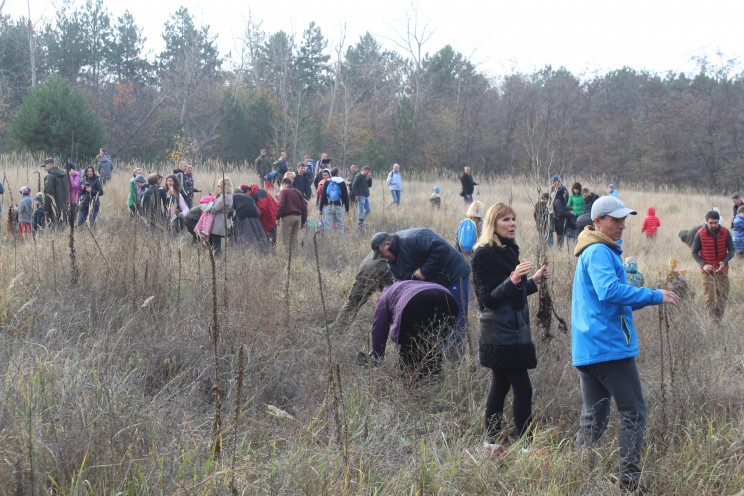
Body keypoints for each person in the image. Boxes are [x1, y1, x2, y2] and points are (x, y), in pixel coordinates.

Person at [572, 195, 679, 494]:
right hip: (608, 348)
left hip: (589, 349)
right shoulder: (599, 251)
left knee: (594, 417)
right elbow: (609, 291)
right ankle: (630, 484)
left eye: (623, 219)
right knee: (634, 412)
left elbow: (605, 296)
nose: (622, 225)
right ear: (598, 222)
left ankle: (579, 477)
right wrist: (653, 294)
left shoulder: (591, 251)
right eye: (615, 219)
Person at [471, 202, 549, 454]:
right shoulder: (483, 254)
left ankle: (492, 445)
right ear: (493, 223)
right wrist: (514, 278)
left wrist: (532, 281)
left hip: (515, 328)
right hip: (500, 332)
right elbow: (488, 298)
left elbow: (512, 293)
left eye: (514, 219)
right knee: (523, 389)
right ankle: (527, 446)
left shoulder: (509, 251)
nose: (512, 224)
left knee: (500, 386)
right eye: (506, 220)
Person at [371, 228, 471, 355]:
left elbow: (441, 248)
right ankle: (432, 357)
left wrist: (424, 271)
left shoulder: (413, 237)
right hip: (434, 285)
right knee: (435, 321)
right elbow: (402, 285)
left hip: (453, 276)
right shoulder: (392, 264)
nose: (382, 257)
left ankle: (455, 361)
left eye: (381, 253)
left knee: (456, 318)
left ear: (388, 244)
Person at [370, 280, 459, 381]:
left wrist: (377, 362)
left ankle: (412, 385)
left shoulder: (383, 297)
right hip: (448, 300)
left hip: (415, 300)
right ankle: (434, 382)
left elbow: (379, 330)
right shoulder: (404, 284)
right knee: (434, 347)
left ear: (379, 294)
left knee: (409, 350)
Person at [331, 250, 393, 331]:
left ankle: (337, 329)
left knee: (352, 303)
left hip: (366, 267)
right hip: (383, 268)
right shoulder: (403, 242)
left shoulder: (384, 239)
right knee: (395, 300)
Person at [690, 210, 734, 321]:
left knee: (723, 296)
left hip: (722, 270)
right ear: (706, 222)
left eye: (716, 222)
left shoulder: (725, 232)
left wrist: (725, 261)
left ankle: (717, 320)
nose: (714, 225)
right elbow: (694, 252)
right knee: (709, 297)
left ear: (719, 221)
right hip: (707, 271)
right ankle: (710, 320)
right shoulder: (700, 233)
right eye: (711, 223)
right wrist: (703, 264)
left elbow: (732, 250)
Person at [232, 185, 270, 249]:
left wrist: (233, 220)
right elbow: (257, 211)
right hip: (256, 217)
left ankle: (243, 249)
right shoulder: (250, 198)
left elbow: (230, 211)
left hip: (243, 216)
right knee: (258, 235)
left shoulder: (233, 197)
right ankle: (263, 249)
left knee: (246, 234)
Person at [276, 177, 307, 254]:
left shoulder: (284, 191)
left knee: (286, 238)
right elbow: (304, 208)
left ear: (285, 184)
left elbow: (281, 205)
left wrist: (277, 217)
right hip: (297, 218)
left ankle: (288, 256)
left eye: (282, 185)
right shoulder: (298, 192)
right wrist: (303, 221)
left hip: (287, 218)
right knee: (294, 238)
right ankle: (295, 255)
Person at [207, 177, 233, 254]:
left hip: (219, 221)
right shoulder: (228, 195)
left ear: (222, 186)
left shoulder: (224, 197)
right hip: (221, 220)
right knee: (215, 242)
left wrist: (209, 205)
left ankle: (217, 259)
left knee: (216, 243)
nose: (218, 187)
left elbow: (214, 209)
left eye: (219, 185)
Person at [319, 167, 349, 233]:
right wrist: (347, 208)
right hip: (338, 206)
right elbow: (345, 196)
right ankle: (339, 240)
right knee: (340, 224)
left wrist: (320, 209)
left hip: (328, 206)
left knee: (328, 225)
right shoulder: (342, 182)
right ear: (337, 173)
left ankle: (330, 240)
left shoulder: (327, 182)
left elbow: (323, 196)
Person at [41, 158, 69, 226]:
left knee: (53, 228)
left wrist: (46, 208)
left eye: (45, 166)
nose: (44, 168)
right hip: (64, 206)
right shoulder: (64, 175)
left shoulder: (50, 177)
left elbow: (48, 193)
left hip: (53, 207)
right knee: (63, 226)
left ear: (50, 164)